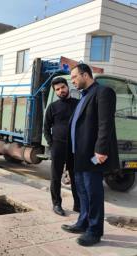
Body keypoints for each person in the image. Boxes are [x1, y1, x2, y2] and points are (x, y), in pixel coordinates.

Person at [61, 63, 119, 246]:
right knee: (82, 192)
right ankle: (83, 222)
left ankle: (95, 230)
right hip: (78, 155)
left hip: (92, 154)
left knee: (93, 193)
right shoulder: (83, 97)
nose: (73, 82)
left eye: (74, 78)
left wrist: (101, 149)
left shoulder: (103, 92)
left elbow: (105, 123)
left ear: (85, 75)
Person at [44, 77, 80, 216]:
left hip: (74, 148)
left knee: (75, 177)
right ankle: (57, 204)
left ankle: (78, 205)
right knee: (56, 177)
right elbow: (46, 128)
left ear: (67, 87)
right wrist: (51, 144)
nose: (61, 91)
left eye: (62, 87)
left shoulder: (78, 104)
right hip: (58, 146)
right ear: (55, 92)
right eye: (57, 89)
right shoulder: (52, 107)